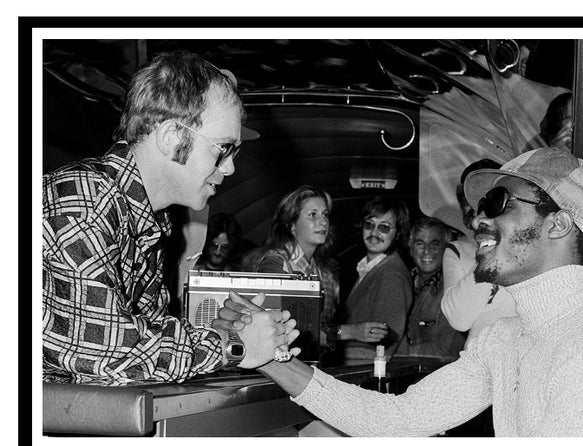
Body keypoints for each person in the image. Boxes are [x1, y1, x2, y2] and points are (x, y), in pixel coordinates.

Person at [221, 147, 583, 437]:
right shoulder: (505, 339)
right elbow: (402, 417)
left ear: (557, 224)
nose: (479, 218)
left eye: (499, 202)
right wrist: (271, 357)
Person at [43, 50, 297, 385]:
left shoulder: (150, 220)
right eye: (223, 149)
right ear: (171, 138)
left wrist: (218, 332)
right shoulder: (83, 200)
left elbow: (146, 335)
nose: (231, 167)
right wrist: (232, 347)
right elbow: (104, 350)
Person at [248, 185, 340, 348]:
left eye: (325, 215)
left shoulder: (319, 269)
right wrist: (343, 332)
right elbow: (271, 324)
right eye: (312, 215)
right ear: (291, 225)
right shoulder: (275, 262)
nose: (323, 221)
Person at [441, 159, 517, 346]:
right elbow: (459, 319)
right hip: (477, 358)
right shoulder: (457, 250)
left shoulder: (524, 243)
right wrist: (488, 251)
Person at [330, 196, 413, 364]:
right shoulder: (370, 268)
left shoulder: (392, 275)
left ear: (398, 234)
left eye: (384, 227)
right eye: (369, 224)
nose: (374, 233)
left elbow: (383, 345)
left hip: (362, 373)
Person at [395, 217, 466, 360]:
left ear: (446, 248)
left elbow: (446, 351)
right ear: (411, 246)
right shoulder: (400, 281)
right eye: (420, 244)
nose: (426, 251)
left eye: (435, 244)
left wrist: (395, 352)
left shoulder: (453, 289)